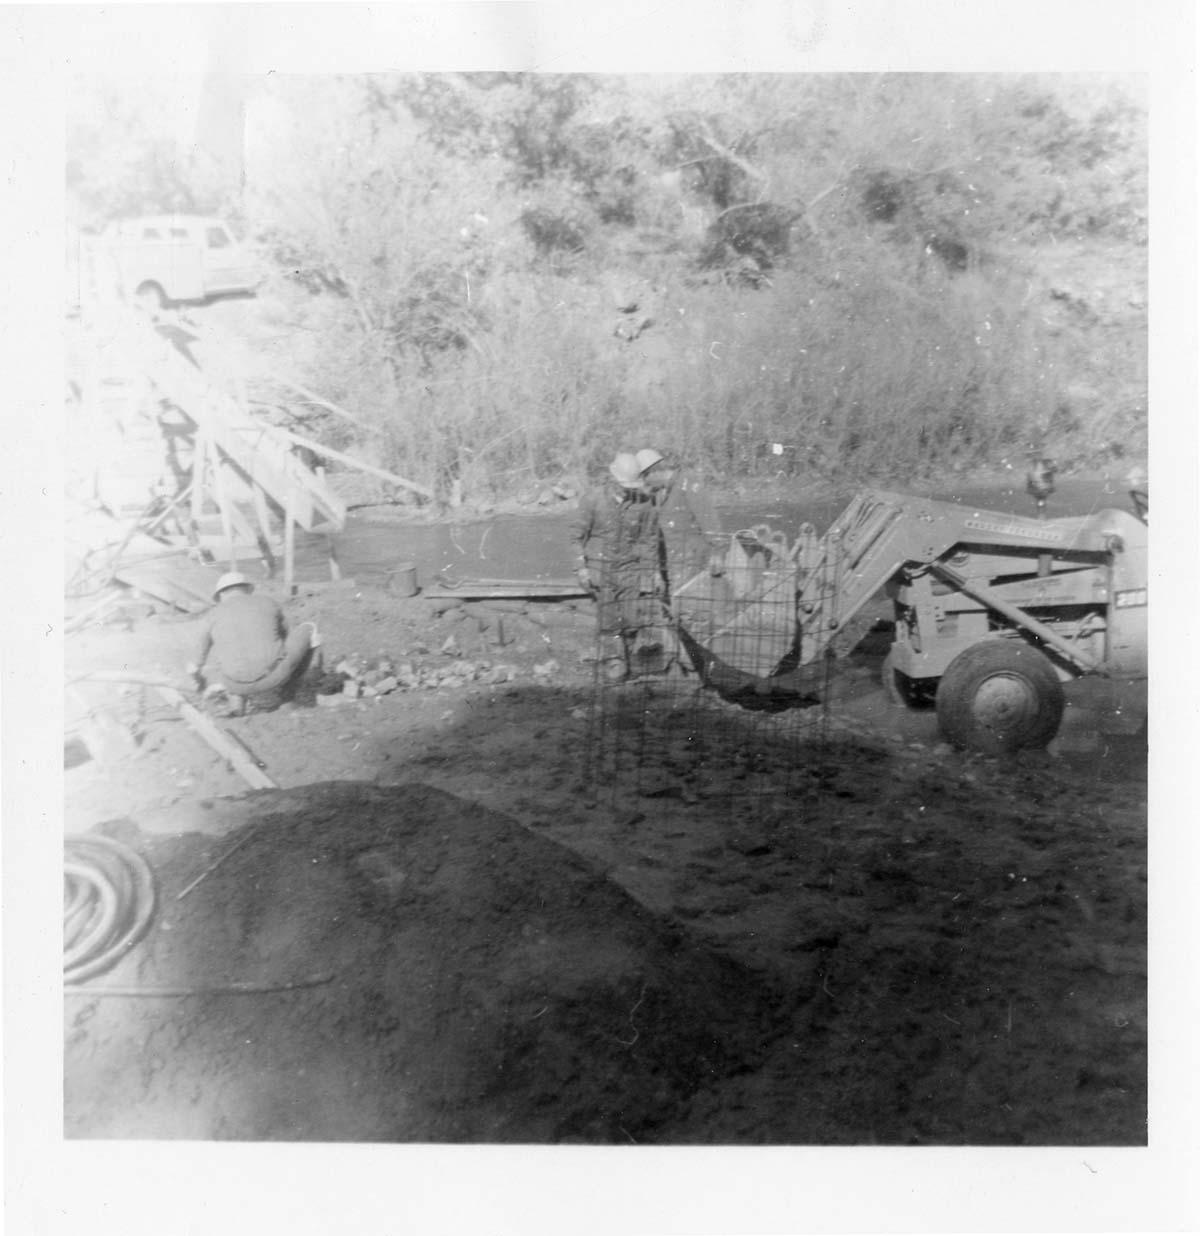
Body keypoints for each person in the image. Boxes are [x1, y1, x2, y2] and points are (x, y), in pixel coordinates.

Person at [571, 453, 667, 679]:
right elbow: (575, 536)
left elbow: (648, 541)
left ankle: (630, 661)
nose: (627, 491)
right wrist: (581, 568)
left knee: (632, 618)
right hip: (600, 569)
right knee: (609, 620)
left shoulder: (644, 504)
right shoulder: (593, 500)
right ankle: (614, 664)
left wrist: (653, 572)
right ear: (612, 479)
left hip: (629, 569)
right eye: (623, 485)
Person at [186, 572, 320, 715]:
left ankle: (238, 702)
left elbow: (193, 667)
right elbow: (289, 635)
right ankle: (288, 697)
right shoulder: (267, 602)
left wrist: (199, 682)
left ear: (221, 595)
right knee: (309, 628)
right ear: (248, 589)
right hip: (273, 679)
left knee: (230, 658)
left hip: (234, 685)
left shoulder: (211, 615)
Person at [635, 448, 725, 600]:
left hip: (692, 562)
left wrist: (718, 552)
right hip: (672, 562)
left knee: (690, 608)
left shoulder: (688, 483)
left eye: (644, 478)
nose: (644, 484)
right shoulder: (658, 493)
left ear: (653, 472)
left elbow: (709, 520)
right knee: (676, 607)